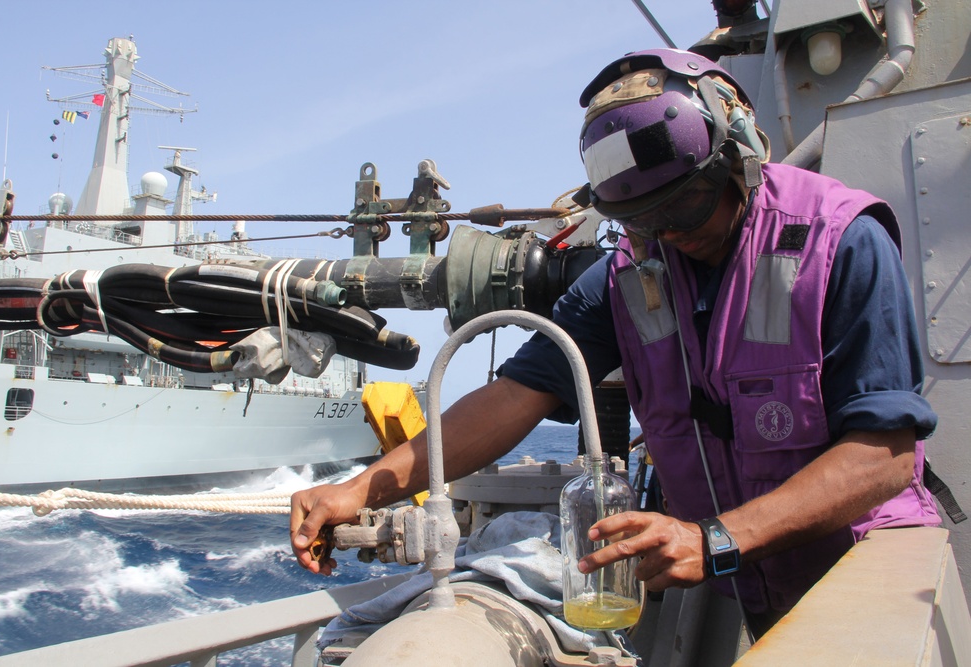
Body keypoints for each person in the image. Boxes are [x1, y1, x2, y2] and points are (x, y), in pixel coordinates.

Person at [290, 48, 940, 637]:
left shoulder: (842, 242)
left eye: (683, 209)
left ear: (739, 155)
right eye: (642, 221)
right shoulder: (630, 275)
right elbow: (512, 397)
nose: (670, 236)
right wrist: (362, 488)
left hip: (874, 574)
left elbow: (883, 456)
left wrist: (712, 537)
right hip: (757, 582)